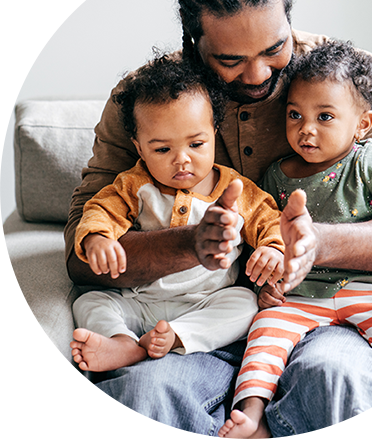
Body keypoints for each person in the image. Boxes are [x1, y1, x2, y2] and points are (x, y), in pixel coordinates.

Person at [64, 0, 372, 437]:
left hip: (320, 310)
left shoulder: (348, 83)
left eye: (275, 49)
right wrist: (188, 244)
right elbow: (79, 254)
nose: (259, 73)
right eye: (230, 60)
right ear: (193, 42)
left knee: (333, 378)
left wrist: (315, 243)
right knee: (145, 394)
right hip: (188, 322)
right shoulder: (148, 102)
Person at [219, 40, 372, 439]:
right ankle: (252, 416)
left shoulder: (368, 162)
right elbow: (263, 237)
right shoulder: (275, 177)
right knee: (265, 335)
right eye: (295, 115)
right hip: (303, 294)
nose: (306, 129)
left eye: (325, 117)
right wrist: (267, 282)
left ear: (361, 123)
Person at [70, 55, 287, 372]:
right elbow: (101, 210)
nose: (181, 160)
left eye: (196, 144)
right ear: (140, 147)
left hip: (208, 301)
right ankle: (123, 343)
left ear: (214, 133)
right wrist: (97, 238)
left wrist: (272, 249)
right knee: (88, 302)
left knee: (244, 303)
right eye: (162, 149)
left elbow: (270, 221)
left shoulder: (237, 189)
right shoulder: (134, 185)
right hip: (141, 301)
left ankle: (179, 337)